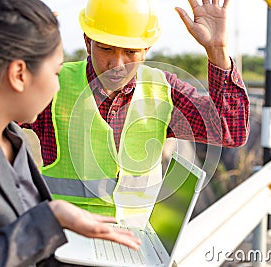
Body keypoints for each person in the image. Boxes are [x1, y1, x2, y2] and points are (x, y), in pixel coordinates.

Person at [0, 0, 141, 266]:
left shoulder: (10, 135)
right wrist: (50, 219)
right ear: (19, 74)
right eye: (56, 72)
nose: (57, 87)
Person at [26, 0, 250, 221]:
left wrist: (217, 52)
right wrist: (13, 41)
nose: (117, 64)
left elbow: (230, 131)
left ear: (146, 50)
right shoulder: (54, 84)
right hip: (65, 238)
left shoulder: (164, 90)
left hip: (134, 242)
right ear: (88, 42)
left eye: (131, 52)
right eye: (105, 49)